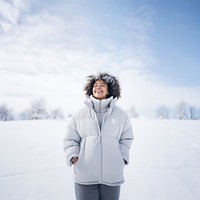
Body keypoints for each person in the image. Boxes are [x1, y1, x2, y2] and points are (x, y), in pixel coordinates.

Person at [63, 72, 134, 200]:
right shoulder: (80, 114)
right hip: (85, 174)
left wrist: (122, 157)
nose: (98, 87)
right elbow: (70, 138)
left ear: (109, 90)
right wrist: (73, 155)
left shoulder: (121, 115)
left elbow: (126, 138)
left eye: (102, 85)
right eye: (95, 85)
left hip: (112, 175)